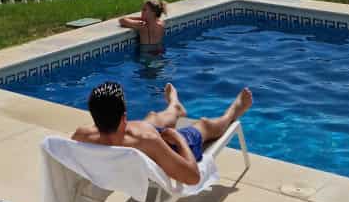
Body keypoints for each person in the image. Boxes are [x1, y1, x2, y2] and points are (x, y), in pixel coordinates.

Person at [72, 79, 253, 186]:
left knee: (152, 117)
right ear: (124, 117)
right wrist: (176, 138)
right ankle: (233, 111)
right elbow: (192, 177)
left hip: (138, 134)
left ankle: (175, 107)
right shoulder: (148, 140)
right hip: (168, 146)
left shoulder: (81, 135)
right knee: (204, 125)